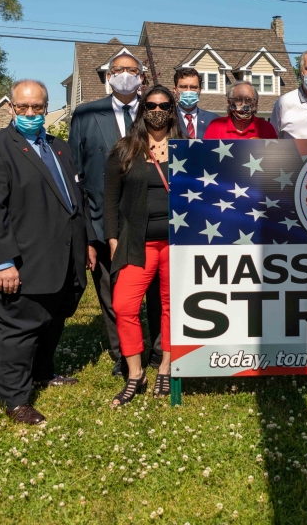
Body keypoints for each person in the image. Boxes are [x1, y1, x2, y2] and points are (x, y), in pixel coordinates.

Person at [0, 80, 89, 425]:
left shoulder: (59, 147)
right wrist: (3, 262)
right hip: (16, 263)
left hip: (59, 259)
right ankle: (16, 400)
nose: (32, 114)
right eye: (24, 108)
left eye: (38, 107)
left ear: (46, 108)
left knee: (50, 321)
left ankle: (43, 373)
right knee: (13, 333)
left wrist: (86, 245)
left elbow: (75, 202)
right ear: (11, 108)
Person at [69, 51, 162, 376]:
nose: (125, 75)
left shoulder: (154, 112)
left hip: (149, 224)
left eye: (132, 70)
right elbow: (75, 174)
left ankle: (158, 352)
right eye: (119, 70)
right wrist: (87, 236)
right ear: (109, 76)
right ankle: (123, 357)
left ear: (142, 77)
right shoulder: (85, 114)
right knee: (113, 297)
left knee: (157, 293)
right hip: (101, 221)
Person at [105, 84, 186, 404]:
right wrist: (113, 241)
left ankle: (166, 367)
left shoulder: (187, 147)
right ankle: (135, 373)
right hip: (137, 242)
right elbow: (109, 201)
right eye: (150, 105)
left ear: (172, 110)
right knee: (124, 305)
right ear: (142, 110)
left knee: (171, 307)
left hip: (177, 244)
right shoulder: (125, 149)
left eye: (164, 105)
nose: (157, 110)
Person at [204, 81, 278, 139]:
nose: (243, 104)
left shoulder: (267, 128)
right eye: (238, 99)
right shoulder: (215, 126)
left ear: (256, 103)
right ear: (229, 103)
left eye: (249, 100)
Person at [173, 66, 215, 139]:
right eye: (183, 87)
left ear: (200, 90)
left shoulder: (214, 120)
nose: (188, 91)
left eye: (193, 87)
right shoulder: (169, 119)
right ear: (175, 90)